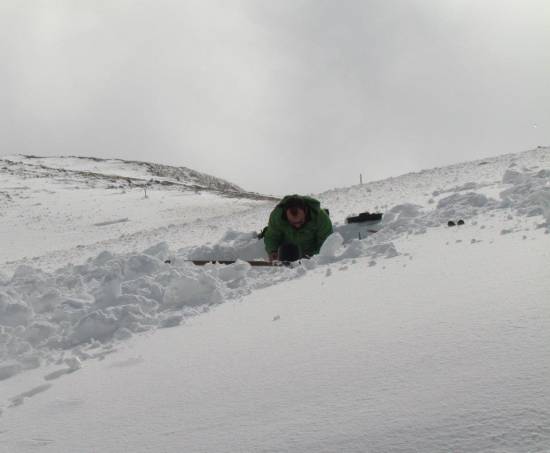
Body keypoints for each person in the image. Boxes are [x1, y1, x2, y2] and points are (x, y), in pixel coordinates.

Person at [263, 195, 333, 262]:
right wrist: (273, 251)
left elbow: (325, 243)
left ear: (305, 211)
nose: (297, 226)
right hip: (287, 253)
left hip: (311, 254)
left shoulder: (320, 217)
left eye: (301, 221)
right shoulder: (277, 217)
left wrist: (312, 259)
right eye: (293, 223)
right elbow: (272, 237)